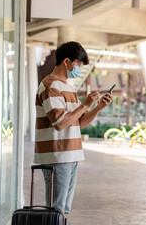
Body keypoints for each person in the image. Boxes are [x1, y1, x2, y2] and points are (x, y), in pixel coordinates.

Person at [34, 41, 112, 215]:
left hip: (70, 154)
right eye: (78, 64)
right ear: (66, 62)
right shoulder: (50, 86)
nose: (79, 68)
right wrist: (85, 106)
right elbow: (60, 123)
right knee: (56, 208)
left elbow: (78, 123)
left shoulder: (67, 87)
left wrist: (97, 107)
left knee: (62, 209)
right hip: (57, 154)